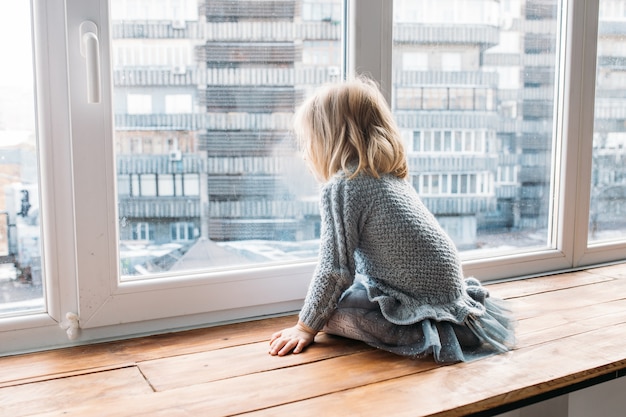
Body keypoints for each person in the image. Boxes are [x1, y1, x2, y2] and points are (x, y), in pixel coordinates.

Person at [268, 76, 515, 363]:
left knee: (331, 315)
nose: (305, 151)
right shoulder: (389, 178)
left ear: (327, 140)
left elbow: (335, 269)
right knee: (347, 294)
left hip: (420, 312)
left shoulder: (344, 186)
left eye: (308, 141)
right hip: (451, 301)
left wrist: (305, 327)